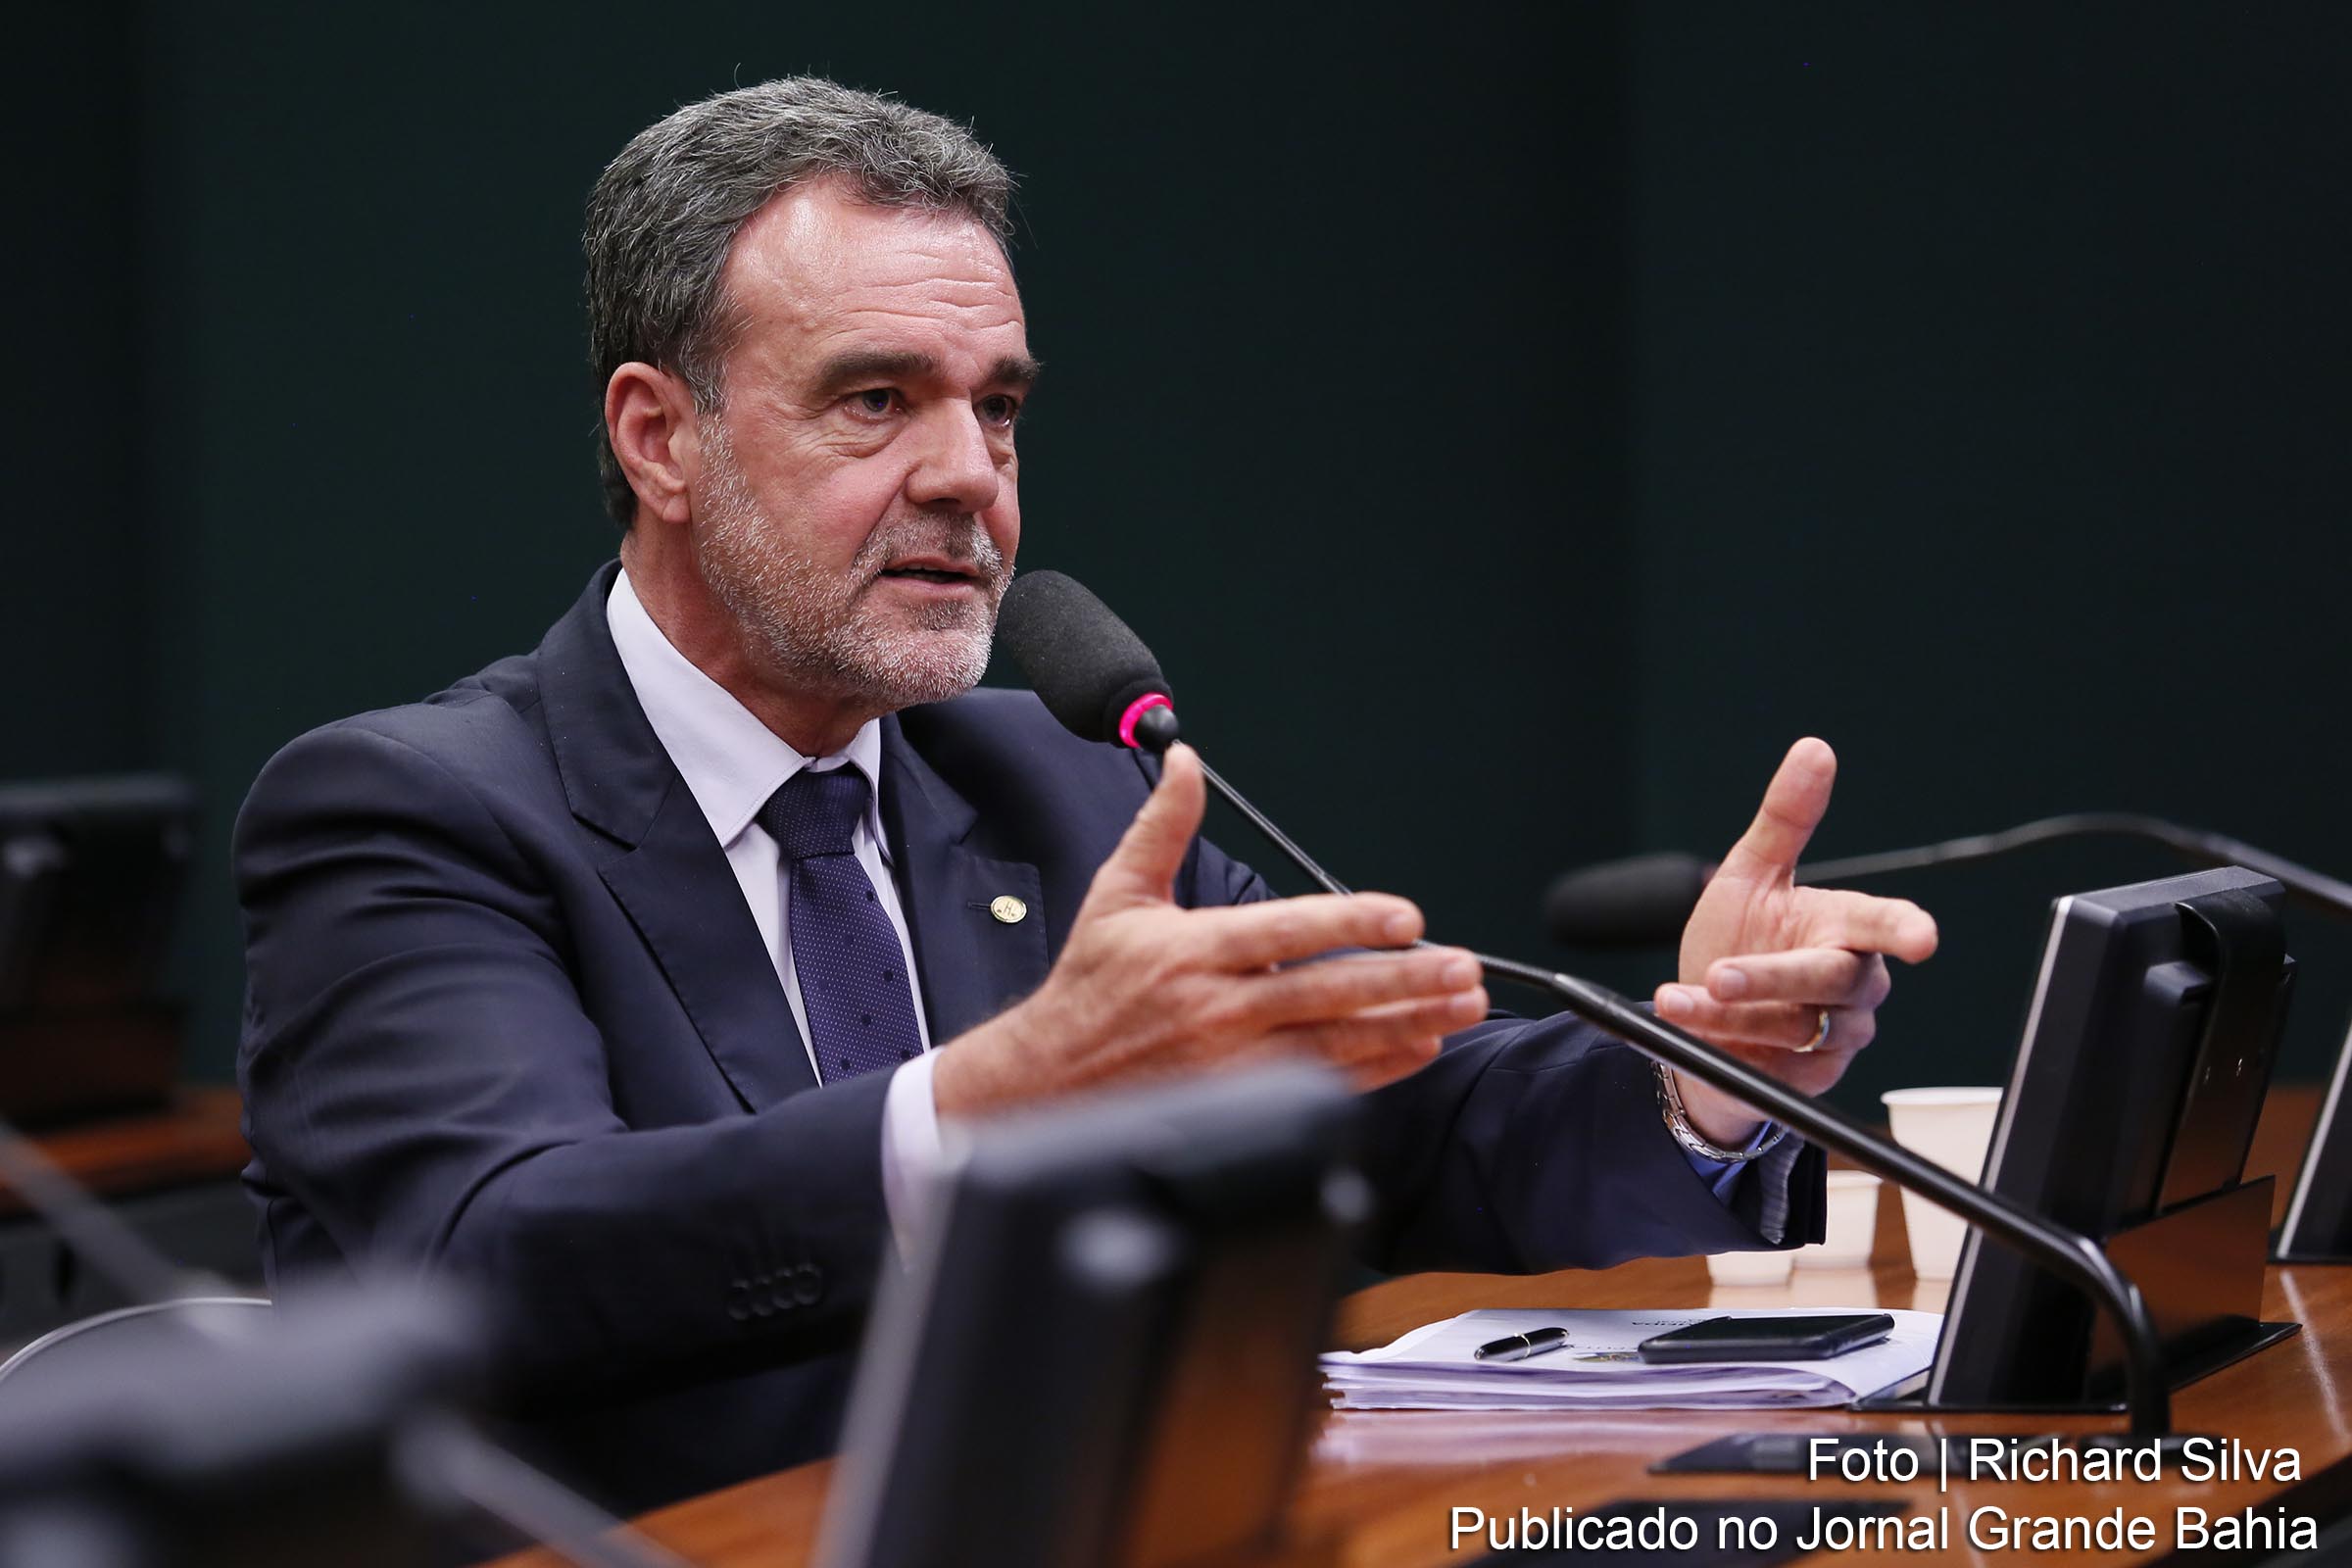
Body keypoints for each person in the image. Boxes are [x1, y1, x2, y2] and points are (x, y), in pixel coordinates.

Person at [233, 77, 1938, 1513]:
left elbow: (1402, 1119)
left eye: (998, 407)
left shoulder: (1047, 776)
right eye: (876, 401)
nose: (967, 475)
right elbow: (487, 1262)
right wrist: (991, 1103)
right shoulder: (408, 812)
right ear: (659, 438)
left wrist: (1701, 1075)